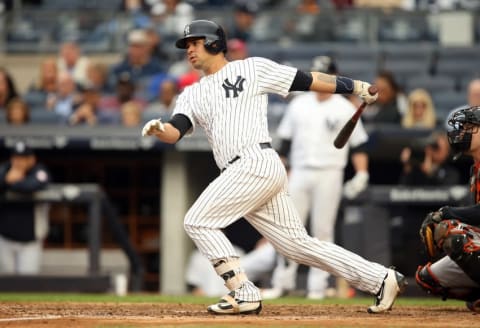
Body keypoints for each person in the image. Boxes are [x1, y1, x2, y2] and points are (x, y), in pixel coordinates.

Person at [141, 20, 406, 315]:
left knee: (197, 220)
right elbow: (176, 131)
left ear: (215, 43)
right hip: (243, 170)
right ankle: (381, 278)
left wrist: (354, 86)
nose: (189, 50)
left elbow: (308, 79)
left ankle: (243, 290)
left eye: (195, 42)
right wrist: (160, 129)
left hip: (255, 161)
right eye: (186, 45)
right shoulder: (191, 93)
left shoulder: (250, 68)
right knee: (297, 246)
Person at [261, 55, 370, 300]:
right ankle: (282, 283)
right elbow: (285, 144)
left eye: (326, 75)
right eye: (317, 74)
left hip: (330, 172)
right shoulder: (299, 103)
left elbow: (360, 145)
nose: (320, 79)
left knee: (322, 231)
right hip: (299, 171)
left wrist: (362, 173)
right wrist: (279, 173)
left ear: (334, 77)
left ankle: (317, 288)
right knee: (288, 228)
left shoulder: (345, 106)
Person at [417, 105, 480, 313]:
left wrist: (446, 213)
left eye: (470, 127)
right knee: (427, 279)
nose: (462, 133)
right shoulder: (475, 168)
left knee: (455, 235)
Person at [0, 141, 51, 274]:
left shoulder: (39, 171)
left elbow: (33, 186)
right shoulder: (5, 168)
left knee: (28, 284)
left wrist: (10, 183)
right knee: (5, 286)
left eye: (23, 158)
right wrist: (5, 180)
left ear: (31, 159)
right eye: (16, 158)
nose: (19, 162)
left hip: (30, 242)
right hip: (5, 238)